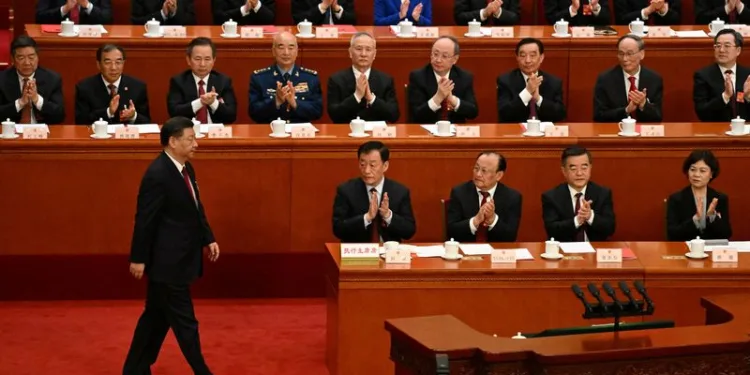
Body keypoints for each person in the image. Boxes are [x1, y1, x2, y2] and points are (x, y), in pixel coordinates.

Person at [122, 116, 220, 375]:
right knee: (186, 323)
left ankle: (134, 369)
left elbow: (196, 209)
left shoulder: (186, 168)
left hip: (181, 257)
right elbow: (145, 220)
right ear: (173, 142)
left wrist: (208, 238)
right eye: (190, 139)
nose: (196, 144)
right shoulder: (157, 175)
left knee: (155, 317)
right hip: (168, 263)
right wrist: (138, 258)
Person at [332, 141, 416, 243]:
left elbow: (409, 231)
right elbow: (338, 229)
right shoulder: (346, 190)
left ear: (385, 166)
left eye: (372, 165)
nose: (366, 170)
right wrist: (367, 217)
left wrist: (388, 215)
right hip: (359, 253)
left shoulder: (399, 192)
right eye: (362, 164)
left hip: (388, 253)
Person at [542, 146, 616, 242]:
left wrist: (590, 216)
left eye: (584, 168)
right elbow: (552, 230)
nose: (579, 173)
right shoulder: (551, 197)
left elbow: (610, 229)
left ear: (590, 168)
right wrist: (577, 220)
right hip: (564, 252)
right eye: (573, 169)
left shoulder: (602, 193)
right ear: (564, 171)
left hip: (595, 250)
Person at [447, 152, 522, 242]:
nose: (478, 174)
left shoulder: (512, 197)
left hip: (496, 252)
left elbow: (510, 237)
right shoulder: (459, 192)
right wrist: (475, 221)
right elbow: (451, 231)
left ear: (499, 175)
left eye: (484, 171)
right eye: (476, 168)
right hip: (466, 251)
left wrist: (493, 220)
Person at [249, 31, 322, 124]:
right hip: (270, 131)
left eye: (291, 48)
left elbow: (317, 112)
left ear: (297, 51)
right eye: (281, 47)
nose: (286, 53)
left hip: (299, 133)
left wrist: (295, 104)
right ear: (273, 51)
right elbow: (253, 113)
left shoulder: (310, 78)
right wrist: (276, 102)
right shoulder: (259, 78)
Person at [327, 32, 399, 124]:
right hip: (346, 133)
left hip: (376, 135)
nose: (363, 54)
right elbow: (334, 115)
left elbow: (394, 116)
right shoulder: (336, 80)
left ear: (374, 54)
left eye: (368, 49)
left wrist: (371, 99)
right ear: (350, 52)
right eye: (359, 49)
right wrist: (356, 96)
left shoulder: (385, 80)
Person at [75, 44, 151, 125]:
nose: (113, 68)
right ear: (98, 64)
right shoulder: (85, 88)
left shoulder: (137, 87)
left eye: (118, 62)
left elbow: (147, 122)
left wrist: (133, 116)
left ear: (123, 63)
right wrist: (108, 112)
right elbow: (81, 122)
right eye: (108, 62)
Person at [408, 36, 478, 123]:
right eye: (435, 54)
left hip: (455, 132)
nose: (438, 60)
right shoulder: (418, 77)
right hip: (426, 130)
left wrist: (453, 100)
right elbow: (416, 115)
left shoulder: (464, 77)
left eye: (444, 56)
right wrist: (438, 97)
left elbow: (473, 112)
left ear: (455, 59)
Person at [594, 35, 663, 122]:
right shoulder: (605, 79)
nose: (625, 59)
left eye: (629, 54)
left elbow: (657, 117)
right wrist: (626, 110)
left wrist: (644, 104)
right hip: (615, 130)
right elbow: (599, 116)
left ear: (642, 54)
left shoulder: (654, 79)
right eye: (621, 54)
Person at [168, 37, 237, 124]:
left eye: (207, 59)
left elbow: (231, 115)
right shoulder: (178, 81)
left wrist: (213, 103)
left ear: (214, 60)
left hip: (215, 132)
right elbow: (174, 113)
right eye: (197, 59)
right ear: (188, 60)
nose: (202, 64)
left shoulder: (223, 81)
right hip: (189, 131)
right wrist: (200, 102)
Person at [667, 150, 732, 241]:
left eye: (702, 171)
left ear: (711, 174)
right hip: (685, 250)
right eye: (693, 169)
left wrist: (713, 218)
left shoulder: (720, 198)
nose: (696, 175)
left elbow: (726, 234)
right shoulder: (676, 199)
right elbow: (672, 235)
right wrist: (694, 220)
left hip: (711, 250)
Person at [497, 38, 565, 123]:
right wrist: (527, 92)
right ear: (517, 58)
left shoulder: (554, 82)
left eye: (532, 55)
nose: (527, 60)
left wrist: (538, 99)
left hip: (545, 134)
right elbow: (504, 114)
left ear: (541, 58)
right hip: (516, 132)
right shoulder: (505, 81)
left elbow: (560, 114)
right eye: (523, 55)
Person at [0, 36, 65, 124]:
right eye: (21, 58)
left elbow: (59, 115)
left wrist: (37, 99)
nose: (27, 63)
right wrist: (20, 103)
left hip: (41, 133)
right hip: (11, 132)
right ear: (13, 59)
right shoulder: (2, 79)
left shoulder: (52, 79)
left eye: (31, 57)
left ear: (38, 58)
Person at [694, 29, 750, 122]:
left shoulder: (747, 75)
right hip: (717, 130)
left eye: (727, 46)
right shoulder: (703, 76)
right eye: (718, 46)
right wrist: (725, 96)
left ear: (738, 50)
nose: (721, 50)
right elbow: (702, 112)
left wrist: (748, 97)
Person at [36, 0, 112, 24]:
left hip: (90, 38)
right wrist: (64, 9)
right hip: (57, 39)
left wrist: (87, 5)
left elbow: (107, 18)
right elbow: (39, 17)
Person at [544, 0, 610, 25]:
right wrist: (572, 10)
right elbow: (551, 19)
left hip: (593, 39)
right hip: (564, 39)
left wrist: (595, 8)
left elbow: (607, 19)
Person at [454, 0, 520, 25]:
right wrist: (484, 13)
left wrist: (498, 12)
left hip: (504, 36)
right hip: (473, 37)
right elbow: (459, 17)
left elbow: (516, 18)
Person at [614, 0, 680, 25]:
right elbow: (621, 20)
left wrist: (663, 11)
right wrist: (647, 11)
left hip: (665, 36)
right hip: (634, 37)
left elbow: (677, 19)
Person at [132, 0, 196, 25]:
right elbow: (136, 22)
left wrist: (173, 14)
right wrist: (162, 14)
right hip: (149, 42)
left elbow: (191, 21)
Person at [291, 0, 356, 25]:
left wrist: (337, 10)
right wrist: (322, 7)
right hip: (312, 39)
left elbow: (352, 21)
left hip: (340, 38)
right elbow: (299, 21)